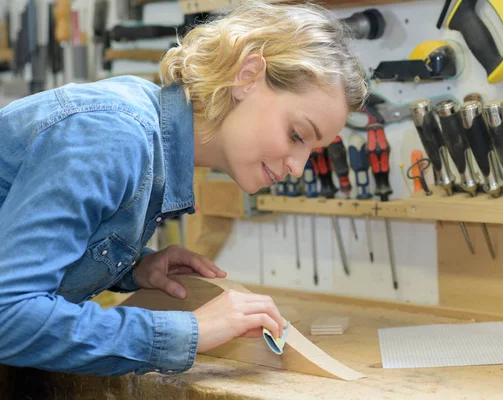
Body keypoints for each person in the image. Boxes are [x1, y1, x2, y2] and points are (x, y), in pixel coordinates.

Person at [0, 0, 368, 376]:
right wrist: (191, 331)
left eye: (312, 150)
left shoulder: (145, 134)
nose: (297, 166)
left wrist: (131, 265)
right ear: (247, 78)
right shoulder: (115, 135)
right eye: (297, 135)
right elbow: (7, 317)